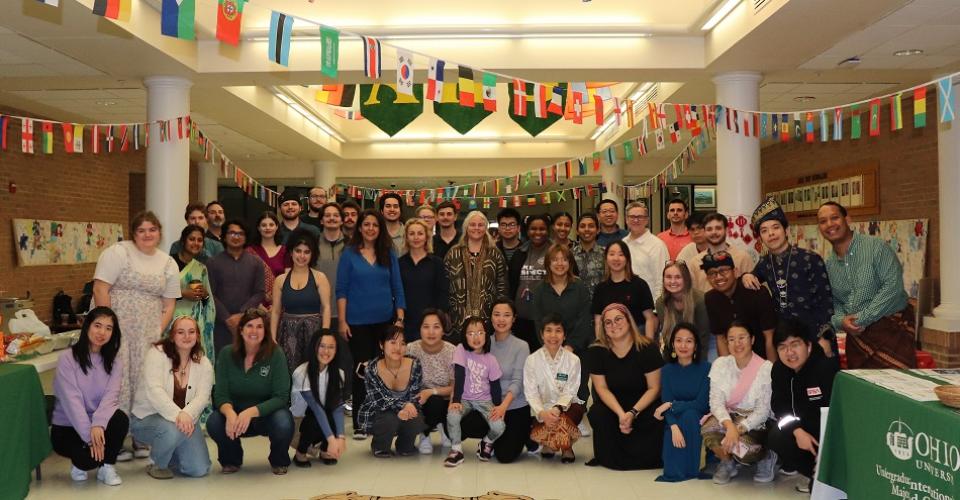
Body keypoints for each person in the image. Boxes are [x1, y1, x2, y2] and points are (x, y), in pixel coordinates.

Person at [93, 211, 180, 459]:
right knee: (115, 383)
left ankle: (142, 438)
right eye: (141, 230)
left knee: (145, 382)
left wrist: (156, 331)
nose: (147, 234)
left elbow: (169, 304)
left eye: (152, 229)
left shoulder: (168, 262)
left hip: (148, 332)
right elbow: (101, 288)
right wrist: (107, 328)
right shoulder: (118, 252)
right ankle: (115, 440)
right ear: (133, 233)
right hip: (116, 327)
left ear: (159, 233)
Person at [817, 201, 916, 369]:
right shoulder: (829, 265)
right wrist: (841, 321)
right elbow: (835, 300)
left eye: (834, 218)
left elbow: (892, 287)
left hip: (892, 333)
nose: (829, 224)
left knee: (896, 387)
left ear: (847, 219)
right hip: (858, 340)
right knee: (863, 389)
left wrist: (862, 319)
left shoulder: (876, 248)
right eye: (823, 221)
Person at [336, 209, 406, 438]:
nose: (370, 229)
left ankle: (385, 419)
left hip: (385, 322)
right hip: (357, 323)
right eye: (366, 224)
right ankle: (360, 422)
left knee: (386, 369)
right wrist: (343, 320)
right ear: (359, 227)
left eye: (375, 225)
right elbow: (342, 290)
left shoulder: (389, 253)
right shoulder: (349, 254)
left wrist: (400, 318)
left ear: (380, 228)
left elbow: (398, 287)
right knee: (362, 371)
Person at [743, 197, 835, 358]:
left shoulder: (810, 259)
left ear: (786, 231)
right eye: (764, 231)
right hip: (784, 341)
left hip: (814, 336)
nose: (770, 234)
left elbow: (826, 302)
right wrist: (746, 276)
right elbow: (752, 275)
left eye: (775, 228)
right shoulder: (765, 263)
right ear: (761, 238)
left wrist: (825, 337)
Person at [207, 309, 293, 475]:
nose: (254, 331)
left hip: (266, 416)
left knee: (284, 421)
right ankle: (231, 460)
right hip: (236, 418)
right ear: (241, 330)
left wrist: (250, 412)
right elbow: (220, 394)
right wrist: (230, 413)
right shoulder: (226, 354)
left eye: (259, 327)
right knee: (214, 422)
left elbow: (281, 397)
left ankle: (279, 460)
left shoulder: (276, 354)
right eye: (249, 326)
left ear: (265, 331)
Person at [51, 307, 127, 486]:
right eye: (98, 325)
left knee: (120, 419)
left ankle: (107, 466)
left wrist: (98, 424)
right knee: (87, 461)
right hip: (68, 426)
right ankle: (84, 462)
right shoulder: (67, 359)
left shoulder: (115, 362)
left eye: (109, 328)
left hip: (96, 424)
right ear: (87, 327)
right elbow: (72, 402)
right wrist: (89, 438)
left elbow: (111, 397)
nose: (102, 332)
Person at [131, 316, 213, 479]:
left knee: (198, 469)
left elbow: (203, 397)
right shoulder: (157, 354)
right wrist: (179, 416)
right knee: (172, 429)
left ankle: (171, 452)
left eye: (191, 332)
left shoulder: (203, 363)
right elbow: (154, 391)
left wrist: (186, 414)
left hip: (184, 421)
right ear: (172, 336)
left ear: (197, 335)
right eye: (180, 332)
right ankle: (157, 463)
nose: (186, 336)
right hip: (146, 419)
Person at [585, 303, 664, 470]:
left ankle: (649, 458)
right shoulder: (596, 351)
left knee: (658, 414)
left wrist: (633, 412)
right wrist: (622, 414)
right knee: (597, 413)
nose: (614, 325)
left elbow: (654, 389)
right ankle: (609, 458)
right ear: (603, 328)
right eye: (608, 322)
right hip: (614, 406)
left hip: (642, 405)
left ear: (629, 321)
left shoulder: (648, 348)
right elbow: (601, 389)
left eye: (618, 319)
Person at [768, 318, 838, 493]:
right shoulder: (779, 370)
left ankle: (825, 471)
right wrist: (797, 431)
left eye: (794, 344)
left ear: (808, 345)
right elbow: (779, 407)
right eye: (782, 347)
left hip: (830, 439)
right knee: (775, 436)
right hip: (805, 434)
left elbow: (838, 416)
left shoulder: (826, 369)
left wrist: (826, 453)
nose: (789, 352)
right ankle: (812, 472)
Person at [701, 322, 776, 485]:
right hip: (730, 417)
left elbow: (763, 411)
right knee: (708, 428)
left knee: (746, 450)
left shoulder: (765, 368)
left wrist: (738, 429)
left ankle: (766, 456)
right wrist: (729, 427)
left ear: (753, 340)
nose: (737, 343)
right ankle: (727, 462)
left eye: (742, 338)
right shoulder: (720, 364)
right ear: (726, 343)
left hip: (756, 423)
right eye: (732, 339)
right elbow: (715, 402)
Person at [459, 300, 532, 463]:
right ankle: (490, 437)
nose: (501, 319)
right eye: (497, 314)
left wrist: (503, 407)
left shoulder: (522, 346)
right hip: (488, 405)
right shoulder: (483, 343)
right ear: (490, 318)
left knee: (505, 456)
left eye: (506, 315)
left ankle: (526, 433)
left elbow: (518, 381)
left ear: (514, 319)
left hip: (513, 406)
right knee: (461, 423)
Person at [532, 244, 592, 403]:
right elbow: (538, 322)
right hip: (550, 352)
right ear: (547, 263)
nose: (560, 264)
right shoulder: (539, 290)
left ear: (570, 263)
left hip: (577, 351)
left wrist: (570, 347)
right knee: (552, 396)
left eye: (564, 259)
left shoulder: (579, 287)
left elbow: (585, 319)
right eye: (555, 260)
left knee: (577, 396)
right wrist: (553, 349)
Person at [444, 316, 505, 467]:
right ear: (464, 336)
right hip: (463, 398)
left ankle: (486, 443)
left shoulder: (491, 359)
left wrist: (498, 406)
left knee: (499, 426)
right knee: (452, 416)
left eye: (480, 332)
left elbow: (495, 386)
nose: (476, 337)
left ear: (486, 334)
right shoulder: (461, 350)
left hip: (485, 401)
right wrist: (456, 400)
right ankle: (456, 450)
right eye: (470, 333)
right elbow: (459, 375)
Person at [653, 322, 710, 482]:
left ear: (696, 345)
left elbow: (701, 404)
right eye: (678, 340)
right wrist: (673, 426)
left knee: (690, 414)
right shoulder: (667, 370)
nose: (683, 345)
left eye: (689, 341)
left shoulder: (706, 368)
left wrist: (672, 405)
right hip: (673, 418)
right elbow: (666, 400)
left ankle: (692, 468)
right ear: (672, 344)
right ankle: (678, 468)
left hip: (697, 417)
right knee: (680, 419)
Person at [357, 326, 426, 457]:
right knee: (389, 418)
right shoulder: (371, 368)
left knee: (416, 418)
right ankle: (380, 446)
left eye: (403, 343)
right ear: (381, 345)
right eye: (392, 342)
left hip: (406, 410)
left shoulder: (414, 363)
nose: (398, 347)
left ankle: (405, 446)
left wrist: (409, 407)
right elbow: (379, 400)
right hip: (377, 412)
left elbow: (415, 395)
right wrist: (403, 405)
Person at [523, 316, 585, 464]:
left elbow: (570, 390)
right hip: (542, 409)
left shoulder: (573, 360)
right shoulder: (532, 360)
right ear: (541, 334)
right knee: (548, 422)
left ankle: (565, 447)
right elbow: (530, 392)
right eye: (549, 330)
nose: (553, 335)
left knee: (562, 419)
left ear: (564, 336)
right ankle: (554, 442)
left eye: (558, 331)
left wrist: (557, 408)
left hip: (568, 407)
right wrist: (543, 413)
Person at [270, 229, 332, 374]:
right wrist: (272, 337)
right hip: (287, 334)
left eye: (306, 252)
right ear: (291, 252)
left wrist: (325, 335)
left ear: (312, 255)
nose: (302, 256)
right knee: (288, 373)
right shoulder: (280, 280)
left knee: (314, 372)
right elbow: (276, 311)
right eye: (298, 251)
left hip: (314, 333)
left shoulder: (320, 277)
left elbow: (327, 308)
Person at [703, 252, 778, 361]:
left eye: (723, 271)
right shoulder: (710, 298)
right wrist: (728, 370)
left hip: (762, 358)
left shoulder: (756, 291)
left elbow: (769, 336)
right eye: (712, 273)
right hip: (735, 360)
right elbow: (720, 338)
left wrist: (771, 372)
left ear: (736, 272)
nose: (718, 277)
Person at [445, 210, 508, 340]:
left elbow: (502, 285)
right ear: (466, 227)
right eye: (472, 224)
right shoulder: (453, 253)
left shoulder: (495, 254)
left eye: (480, 225)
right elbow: (444, 284)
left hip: (487, 321)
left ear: (486, 227)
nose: (476, 228)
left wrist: (499, 315)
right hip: (457, 320)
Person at [206, 220, 266, 352]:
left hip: (248, 323)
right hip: (221, 324)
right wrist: (227, 318)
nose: (236, 237)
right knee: (222, 362)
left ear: (246, 237)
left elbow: (260, 292)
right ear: (224, 236)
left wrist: (242, 315)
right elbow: (209, 293)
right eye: (232, 233)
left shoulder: (256, 263)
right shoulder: (213, 263)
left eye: (240, 234)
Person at [291, 330, 347, 468]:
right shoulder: (301, 373)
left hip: (321, 416)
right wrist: (332, 439)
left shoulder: (339, 373)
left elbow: (338, 408)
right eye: (322, 346)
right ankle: (300, 452)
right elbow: (315, 407)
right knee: (315, 418)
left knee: (331, 412)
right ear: (314, 347)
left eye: (331, 347)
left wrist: (341, 437)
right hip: (299, 423)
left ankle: (324, 450)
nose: (326, 351)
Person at [406, 310, 456, 454]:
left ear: (443, 330)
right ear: (420, 329)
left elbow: (455, 387)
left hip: (446, 400)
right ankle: (425, 435)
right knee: (430, 402)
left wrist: (432, 391)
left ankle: (440, 425)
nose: (431, 332)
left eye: (436, 326)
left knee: (435, 401)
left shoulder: (452, 351)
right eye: (426, 326)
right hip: (418, 401)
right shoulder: (411, 349)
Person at [170, 224, 217, 365]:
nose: (196, 243)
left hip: (194, 323)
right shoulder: (168, 263)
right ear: (183, 241)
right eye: (192, 239)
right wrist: (183, 293)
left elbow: (207, 301)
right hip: (170, 321)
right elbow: (159, 291)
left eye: (199, 240)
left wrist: (205, 295)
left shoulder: (201, 268)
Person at [591, 241, 656, 340]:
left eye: (621, 254)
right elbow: (598, 323)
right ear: (606, 258)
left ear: (627, 259)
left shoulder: (640, 285)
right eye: (612, 254)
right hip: (610, 340)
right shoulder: (600, 289)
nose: (616, 258)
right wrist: (601, 347)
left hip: (637, 340)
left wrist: (648, 346)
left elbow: (649, 319)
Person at [399, 218, 449, 342]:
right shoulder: (398, 263)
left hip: (430, 324)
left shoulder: (437, 263)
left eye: (420, 233)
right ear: (406, 237)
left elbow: (442, 294)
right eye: (412, 234)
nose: (416, 237)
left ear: (427, 237)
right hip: (406, 322)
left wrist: (438, 321)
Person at [508, 213, 552, 348]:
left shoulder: (555, 251)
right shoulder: (520, 252)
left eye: (542, 229)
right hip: (522, 318)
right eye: (533, 229)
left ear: (548, 230)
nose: (538, 232)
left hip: (547, 317)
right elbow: (512, 283)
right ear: (527, 231)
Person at [656, 261, 710, 360]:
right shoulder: (660, 303)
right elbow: (667, 339)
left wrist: (698, 365)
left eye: (677, 277)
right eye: (668, 277)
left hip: (704, 344)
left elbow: (703, 337)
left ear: (686, 280)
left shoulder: (700, 300)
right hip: (679, 347)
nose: (672, 281)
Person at [688, 213, 755, 293]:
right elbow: (693, 295)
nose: (714, 232)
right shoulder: (695, 262)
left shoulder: (743, 257)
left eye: (718, 228)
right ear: (704, 232)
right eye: (709, 229)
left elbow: (753, 289)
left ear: (726, 230)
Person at [622, 201, 669, 301]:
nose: (636, 220)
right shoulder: (623, 244)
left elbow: (661, 280)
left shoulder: (657, 245)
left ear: (647, 220)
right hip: (625, 303)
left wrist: (657, 308)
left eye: (640, 217)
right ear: (626, 219)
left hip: (649, 305)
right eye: (632, 217)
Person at [315, 202, 346, 326]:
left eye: (336, 215)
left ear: (342, 220)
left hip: (346, 313)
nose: (332, 218)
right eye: (327, 215)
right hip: (318, 312)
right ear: (321, 221)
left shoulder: (352, 245)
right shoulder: (313, 245)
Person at [247, 211, 288, 285]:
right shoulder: (250, 251)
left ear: (277, 227)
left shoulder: (285, 251)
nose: (268, 228)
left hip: (281, 294)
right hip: (255, 295)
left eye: (271, 225)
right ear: (258, 228)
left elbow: (288, 280)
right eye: (264, 225)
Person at [571, 212, 605, 300]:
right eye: (582, 226)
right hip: (575, 306)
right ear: (577, 231)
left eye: (591, 226)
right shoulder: (569, 255)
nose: (587, 229)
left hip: (600, 306)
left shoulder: (606, 254)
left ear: (598, 230)